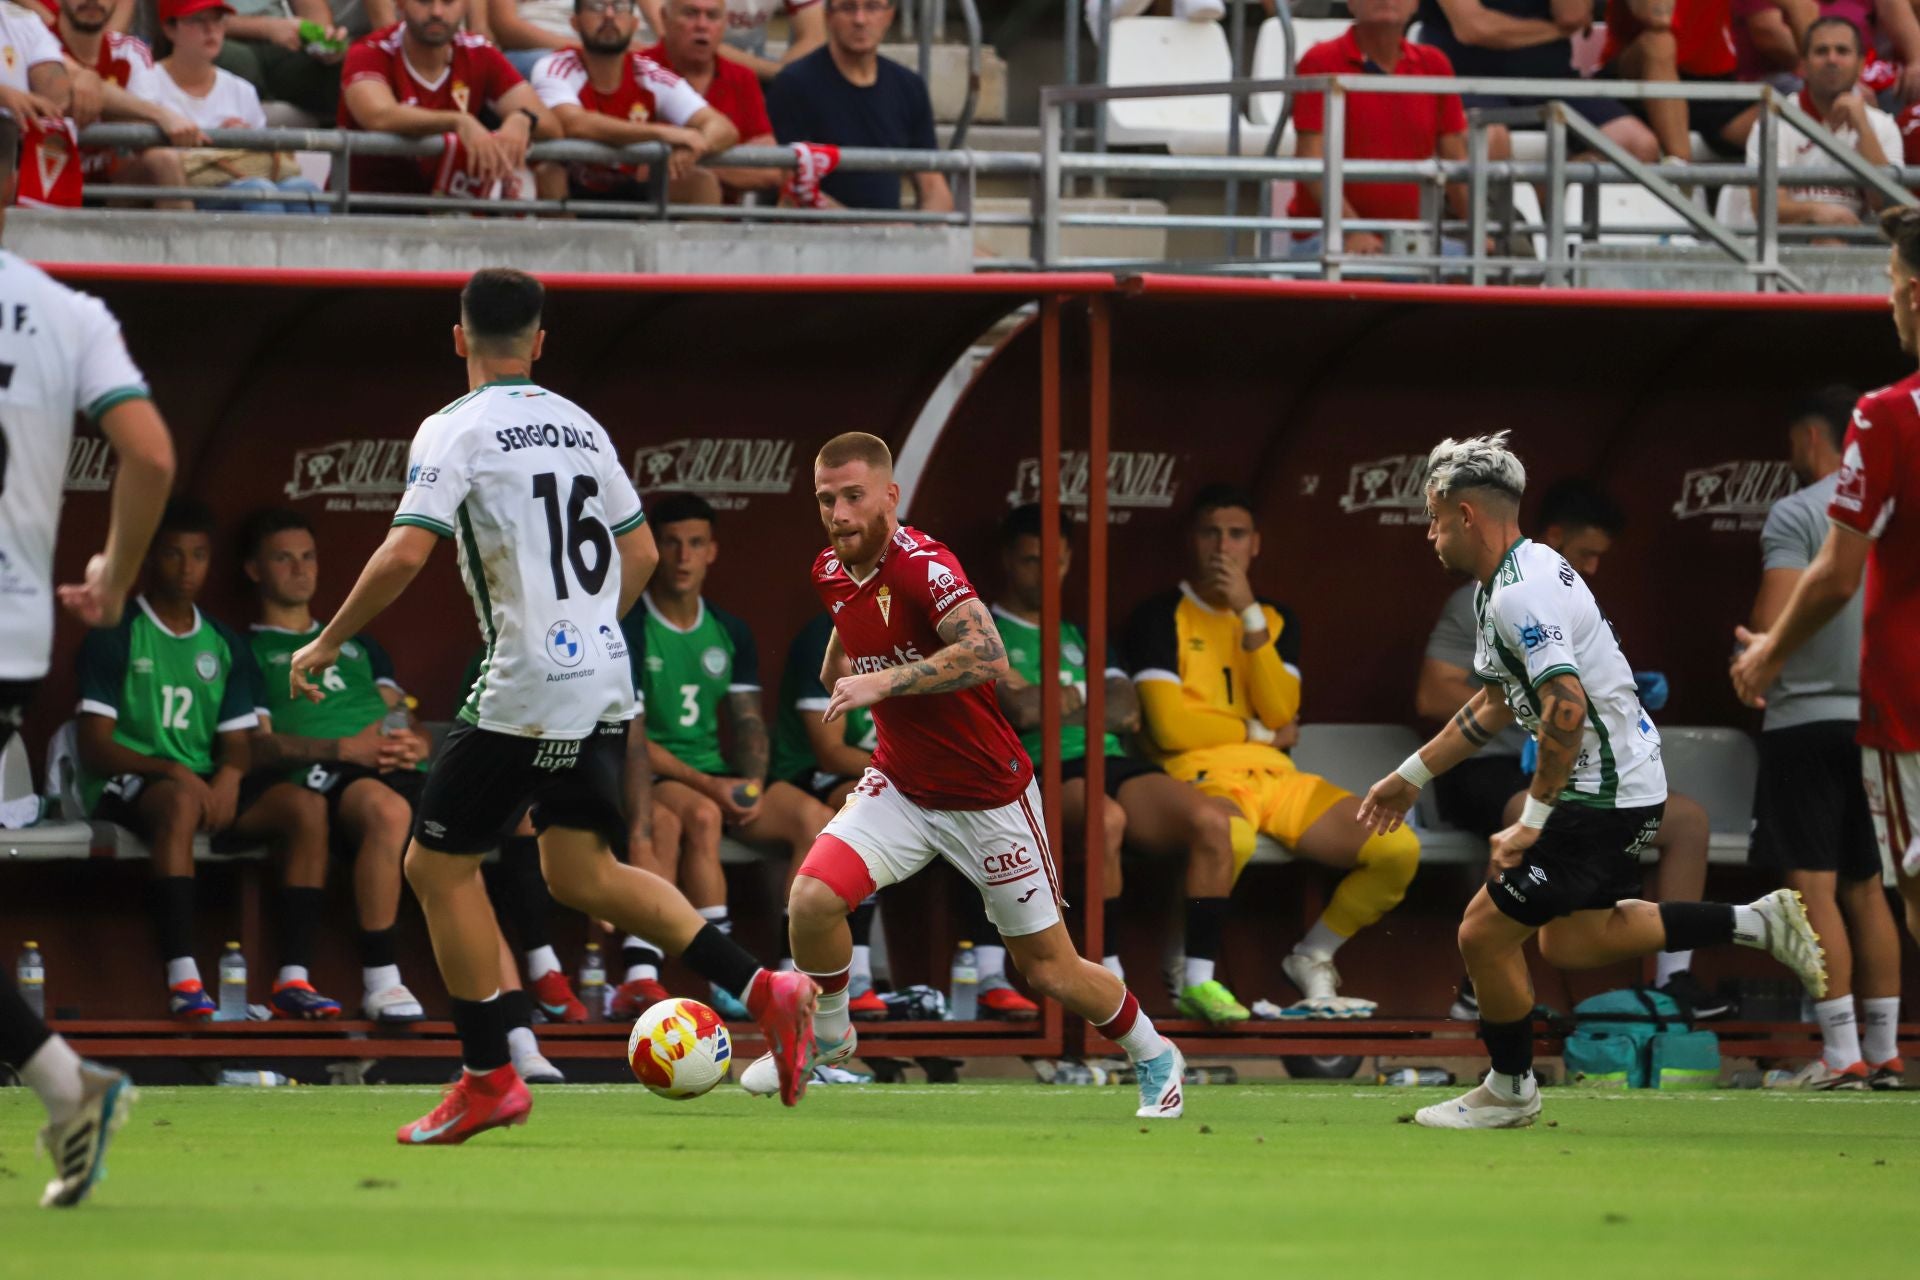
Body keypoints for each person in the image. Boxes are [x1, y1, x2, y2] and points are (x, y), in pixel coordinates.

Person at [286, 268, 817, 1143]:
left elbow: (405, 553)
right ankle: (767, 989)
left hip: (526, 686)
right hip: (604, 678)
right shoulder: (581, 424)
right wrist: (585, 631)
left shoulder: (454, 428)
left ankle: (490, 1075)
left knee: (434, 867)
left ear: (459, 338)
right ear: (540, 342)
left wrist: (329, 639)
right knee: (582, 873)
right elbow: (639, 553)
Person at [1360, 432, 1827, 1130]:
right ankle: (1755, 920)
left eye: (1432, 516)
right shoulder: (1514, 576)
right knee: (1571, 942)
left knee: (1483, 933)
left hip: (1601, 794)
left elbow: (1566, 707)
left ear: (1465, 515)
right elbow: (1493, 702)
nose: (1428, 533)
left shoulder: (1519, 593)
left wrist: (1533, 820)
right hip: (1625, 783)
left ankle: (1510, 1091)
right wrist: (1409, 776)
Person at [737, 432, 1188, 1120]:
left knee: (1048, 971)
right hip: (902, 787)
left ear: (890, 495)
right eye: (826, 500)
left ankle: (1156, 1052)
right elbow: (850, 618)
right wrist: (843, 668)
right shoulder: (830, 568)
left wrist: (882, 680)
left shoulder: (926, 564)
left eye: (853, 496)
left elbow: (986, 652)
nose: (839, 512)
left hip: (988, 797)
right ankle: (829, 1036)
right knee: (812, 899)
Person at [0, 106, 174, 1207]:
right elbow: (148, 449)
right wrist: (113, 568)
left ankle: (67, 1083)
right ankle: (66, 1082)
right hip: (12, 630)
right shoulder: (65, 311)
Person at [1420, 478, 1724, 1019]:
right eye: (1586, 553)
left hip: (1576, 767)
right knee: (1535, 818)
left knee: (1689, 822)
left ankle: (1676, 979)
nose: (1593, 567)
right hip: (1490, 768)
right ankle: (1490, 972)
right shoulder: (1485, 597)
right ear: (1555, 535)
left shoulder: (1563, 588)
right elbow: (1434, 691)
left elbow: (1577, 700)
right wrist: (1529, 709)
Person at [1126, 485, 1421, 1019]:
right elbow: (1171, 728)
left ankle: (1313, 955)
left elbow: (1283, 712)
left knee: (1395, 847)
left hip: (1279, 780)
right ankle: (1185, 969)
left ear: (1255, 545)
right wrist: (1259, 733)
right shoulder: (1158, 615)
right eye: (1210, 533)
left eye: (1236, 534)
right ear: (1191, 541)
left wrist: (1248, 614)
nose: (1223, 547)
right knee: (1227, 835)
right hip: (1200, 777)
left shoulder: (1275, 618)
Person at [1734, 205, 1920, 964]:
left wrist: (1767, 655)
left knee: (1911, 888)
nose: (1887, 299)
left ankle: (1846, 1052)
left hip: (1909, 704)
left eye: (1891, 281)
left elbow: (1839, 574)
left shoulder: (1886, 416)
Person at [76, 499, 345, 1021]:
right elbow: (94, 746)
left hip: (203, 784)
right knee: (178, 804)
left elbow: (239, 740)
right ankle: (184, 980)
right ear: (151, 559)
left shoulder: (221, 641)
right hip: (128, 783)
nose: (187, 568)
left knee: (305, 808)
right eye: (174, 555)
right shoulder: (118, 631)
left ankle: (293, 979)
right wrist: (174, 769)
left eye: (198, 556)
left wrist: (229, 775)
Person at [992, 503, 1244, 1023]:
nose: (1047, 574)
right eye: (1031, 561)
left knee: (1213, 822)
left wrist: (1055, 699)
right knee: (1105, 820)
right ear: (1007, 562)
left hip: (1109, 761)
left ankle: (1200, 981)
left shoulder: (1080, 634)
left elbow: (1128, 712)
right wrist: (1087, 696)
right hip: (1035, 772)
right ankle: (1107, 980)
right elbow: (1018, 710)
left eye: (1057, 562)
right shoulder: (985, 632)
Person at [617, 493, 834, 1018]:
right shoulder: (631, 627)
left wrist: (753, 785)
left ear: (712, 551)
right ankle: (716, 976)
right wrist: (713, 787)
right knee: (701, 812)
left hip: (717, 776)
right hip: (657, 776)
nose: (683, 557)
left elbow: (748, 723)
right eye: (670, 544)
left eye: (695, 544)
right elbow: (632, 739)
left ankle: (792, 973)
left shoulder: (728, 630)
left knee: (817, 820)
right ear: (652, 550)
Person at [1745, 387, 1904, 1090]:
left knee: (1814, 886)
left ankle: (1841, 1056)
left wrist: (1755, 655)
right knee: (1870, 888)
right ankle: (1887, 1050)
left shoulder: (1798, 511)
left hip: (1805, 721)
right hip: (1881, 721)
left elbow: (1776, 613)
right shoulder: (1896, 509)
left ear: (1812, 439)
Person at [238, 508, 430, 1025]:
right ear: (255, 569)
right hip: (321, 776)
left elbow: (396, 708)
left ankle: (521, 995)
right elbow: (256, 745)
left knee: (481, 813)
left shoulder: (358, 643)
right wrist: (344, 749)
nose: (300, 569)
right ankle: (381, 980)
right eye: (283, 558)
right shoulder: (249, 649)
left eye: (308, 557)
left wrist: (408, 741)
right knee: (387, 812)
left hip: (388, 766)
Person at [768, 611, 888, 1017]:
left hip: (888, 773)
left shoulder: (914, 634)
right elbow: (830, 751)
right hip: (812, 774)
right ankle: (833, 975)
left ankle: (988, 969)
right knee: (871, 809)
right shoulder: (824, 635)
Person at [339, 0, 560, 201]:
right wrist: (458, 122)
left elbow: (552, 125)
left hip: (447, 218)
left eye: (448, 2)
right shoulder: (369, 50)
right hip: (367, 211)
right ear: (401, 4)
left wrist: (522, 119)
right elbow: (378, 116)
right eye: (423, 2)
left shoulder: (479, 52)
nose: (436, 12)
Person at [529, 0, 738, 206]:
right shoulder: (554, 66)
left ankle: (690, 242)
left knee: (701, 182)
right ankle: (565, 240)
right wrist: (662, 134)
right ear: (575, 22)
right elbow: (573, 123)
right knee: (549, 172)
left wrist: (695, 147)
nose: (609, 15)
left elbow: (722, 127)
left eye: (620, 7)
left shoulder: (651, 74)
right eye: (596, 7)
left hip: (633, 185)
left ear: (634, 23)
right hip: (572, 188)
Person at [1415, 0, 1662, 163]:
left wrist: (1560, 27)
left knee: (1639, 146)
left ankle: (1549, 200)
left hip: (1552, 81)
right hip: (1470, 81)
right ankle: (1498, 236)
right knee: (1486, 140)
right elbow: (1474, 29)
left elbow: (1571, 16)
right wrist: (1554, 32)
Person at [765, 0, 951, 212]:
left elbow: (933, 184)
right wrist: (874, 231)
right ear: (828, 17)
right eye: (847, 8)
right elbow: (796, 189)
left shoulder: (910, 86)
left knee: (976, 247)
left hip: (893, 236)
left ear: (889, 16)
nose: (860, 20)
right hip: (820, 236)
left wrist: (924, 234)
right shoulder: (794, 84)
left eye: (872, 7)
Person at [152, 0, 327, 212]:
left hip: (241, 180)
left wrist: (245, 140)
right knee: (258, 191)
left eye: (217, 19)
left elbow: (260, 160)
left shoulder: (241, 88)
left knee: (304, 189)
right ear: (169, 29)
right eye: (197, 20)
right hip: (187, 192)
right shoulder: (147, 80)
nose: (211, 30)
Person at [1744, 17, 1900, 238]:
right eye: (1821, 51)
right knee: (1827, 234)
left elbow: (1888, 208)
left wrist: (1863, 128)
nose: (1832, 59)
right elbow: (1766, 207)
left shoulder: (1883, 125)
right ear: (1804, 65)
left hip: (1860, 243)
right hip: (1789, 243)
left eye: (1842, 51)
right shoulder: (1773, 122)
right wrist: (1820, 213)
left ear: (1861, 65)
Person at [1601, 0, 1811, 161]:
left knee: (1802, 134)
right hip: (1636, 82)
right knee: (1660, 43)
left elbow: (1800, 6)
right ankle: (1683, 180)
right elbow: (1657, 16)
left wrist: (1813, 67)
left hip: (1711, 85)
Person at [52, 0, 205, 209]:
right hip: (39, 184)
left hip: (111, 188)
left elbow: (144, 129)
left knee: (163, 158)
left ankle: (184, 240)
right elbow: (58, 74)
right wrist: (159, 114)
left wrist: (105, 102)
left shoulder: (131, 50)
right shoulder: (34, 38)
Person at [641, 0, 781, 199]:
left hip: (726, 226)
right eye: (690, 14)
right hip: (648, 219)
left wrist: (682, 162)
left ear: (724, 24)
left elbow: (770, 170)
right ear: (665, 18)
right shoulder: (637, 70)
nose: (702, 25)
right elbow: (632, 169)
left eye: (712, 16)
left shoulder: (743, 78)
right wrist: (730, 161)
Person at [218, 0, 348, 121]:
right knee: (240, 60)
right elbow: (200, 16)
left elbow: (314, 13)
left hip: (282, 39)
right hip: (220, 38)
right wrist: (266, 28)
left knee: (341, 71)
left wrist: (323, 39)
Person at [638, 0, 823, 79]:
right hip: (660, 67)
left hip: (750, 70)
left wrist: (784, 79)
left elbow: (815, 37)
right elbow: (679, 40)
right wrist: (778, 74)